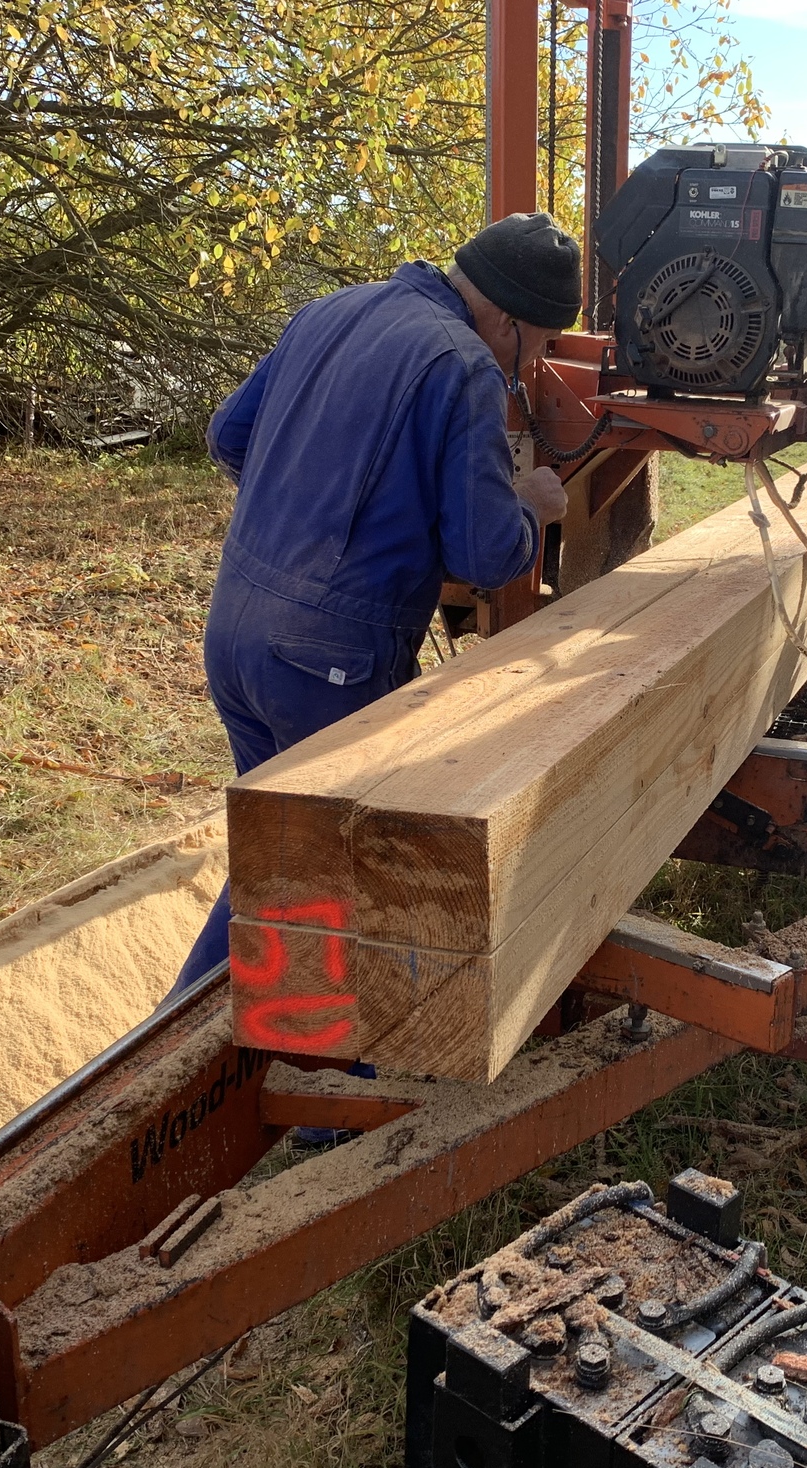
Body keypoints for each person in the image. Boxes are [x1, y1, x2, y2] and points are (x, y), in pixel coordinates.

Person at [166, 212, 581, 999]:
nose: (540, 363)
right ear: (511, 320)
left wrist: (309, 502)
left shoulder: (331, 309)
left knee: (286, 862)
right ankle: (252, 1077)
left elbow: (229, 436)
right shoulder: (463, 364)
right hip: (327, 662)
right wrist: (529, 505)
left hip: (235, 632)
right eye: (545, 345)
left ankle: (226, 1062)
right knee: (343, 877)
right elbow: (483, 554)